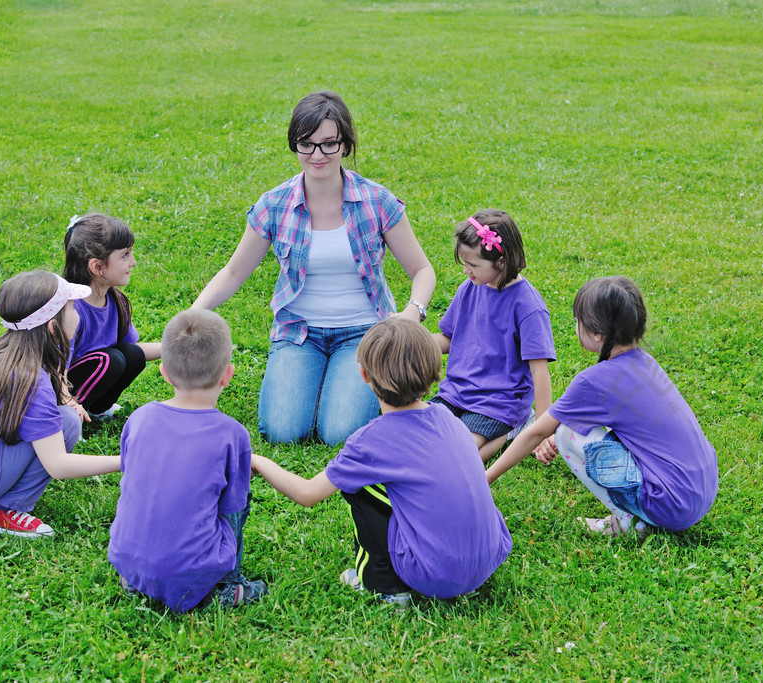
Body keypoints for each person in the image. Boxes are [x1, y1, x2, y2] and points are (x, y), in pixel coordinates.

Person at [191, 91, 435, 446]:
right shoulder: (275, 205)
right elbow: (232, 273)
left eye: (328, 144)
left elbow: (422, 270)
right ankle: (325, 381)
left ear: (346, 145)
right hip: (298, 332)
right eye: (306, 145)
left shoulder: (376, 201)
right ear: (295, 144)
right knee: (282, 432)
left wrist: (412, 313)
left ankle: (346, 384)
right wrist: (194, 315)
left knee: (340, 434)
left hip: (363, 333)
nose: (317, 155)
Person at [251, 318, 512, 605]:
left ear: (363, 375)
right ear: (433, 371)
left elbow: (308, 494)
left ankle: (383, 585)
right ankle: (458, 572)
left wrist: (260, 462)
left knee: (358, 485)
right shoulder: (448, 417)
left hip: (436, 576)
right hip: (490, 558)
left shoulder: (370, 442)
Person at [486, 276, 719, 537]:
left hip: (671, 505)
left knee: (565, 433)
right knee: (571, 426)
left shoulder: (592, 381)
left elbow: (536, 432)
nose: (575, 326)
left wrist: (484, 481)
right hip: (702, 489)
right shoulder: (645, 361)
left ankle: (628, 522)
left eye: (577, 321)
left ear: (598, 334)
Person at [0, 271, 122, 538]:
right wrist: (126, 460)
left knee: (64, 418)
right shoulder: (29, 377)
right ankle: (3, 509)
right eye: (72, 307)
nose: (78, 314)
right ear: (52, 327)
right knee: (68, 423)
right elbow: (58, 465)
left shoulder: (5, 354)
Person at [108, 309, 267, 612]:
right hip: (190, 569)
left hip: (126, 560)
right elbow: (231, 506)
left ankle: (137, 581)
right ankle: (228, 586)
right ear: (228, 375)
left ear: (164, 371)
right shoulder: (232, 434)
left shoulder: (139, 418)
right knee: (239, 498)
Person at [430, 210, 556, 461]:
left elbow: (539, 372)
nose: (466, 270)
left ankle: (513, 430)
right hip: (456, 392)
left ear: (501, 261)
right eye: (464, 263)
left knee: (458, 453)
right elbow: (451, 339)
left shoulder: (528, 306)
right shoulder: (468, 289)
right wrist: (412, 341)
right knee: (423, 437)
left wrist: (543, 432)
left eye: (473, 265)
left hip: (498, 403)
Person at [62, 213, 161, 421]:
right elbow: (53, 368)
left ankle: (97, 409)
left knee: (132, 354)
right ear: (97, 267)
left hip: (95, 370)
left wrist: (173, 347)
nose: (133, 262)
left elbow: (133, 349)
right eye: (125, 255)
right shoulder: (70, 310)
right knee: (111, 360)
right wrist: (68, 402)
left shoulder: (117, 302)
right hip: (58, 385)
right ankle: (69, 417)